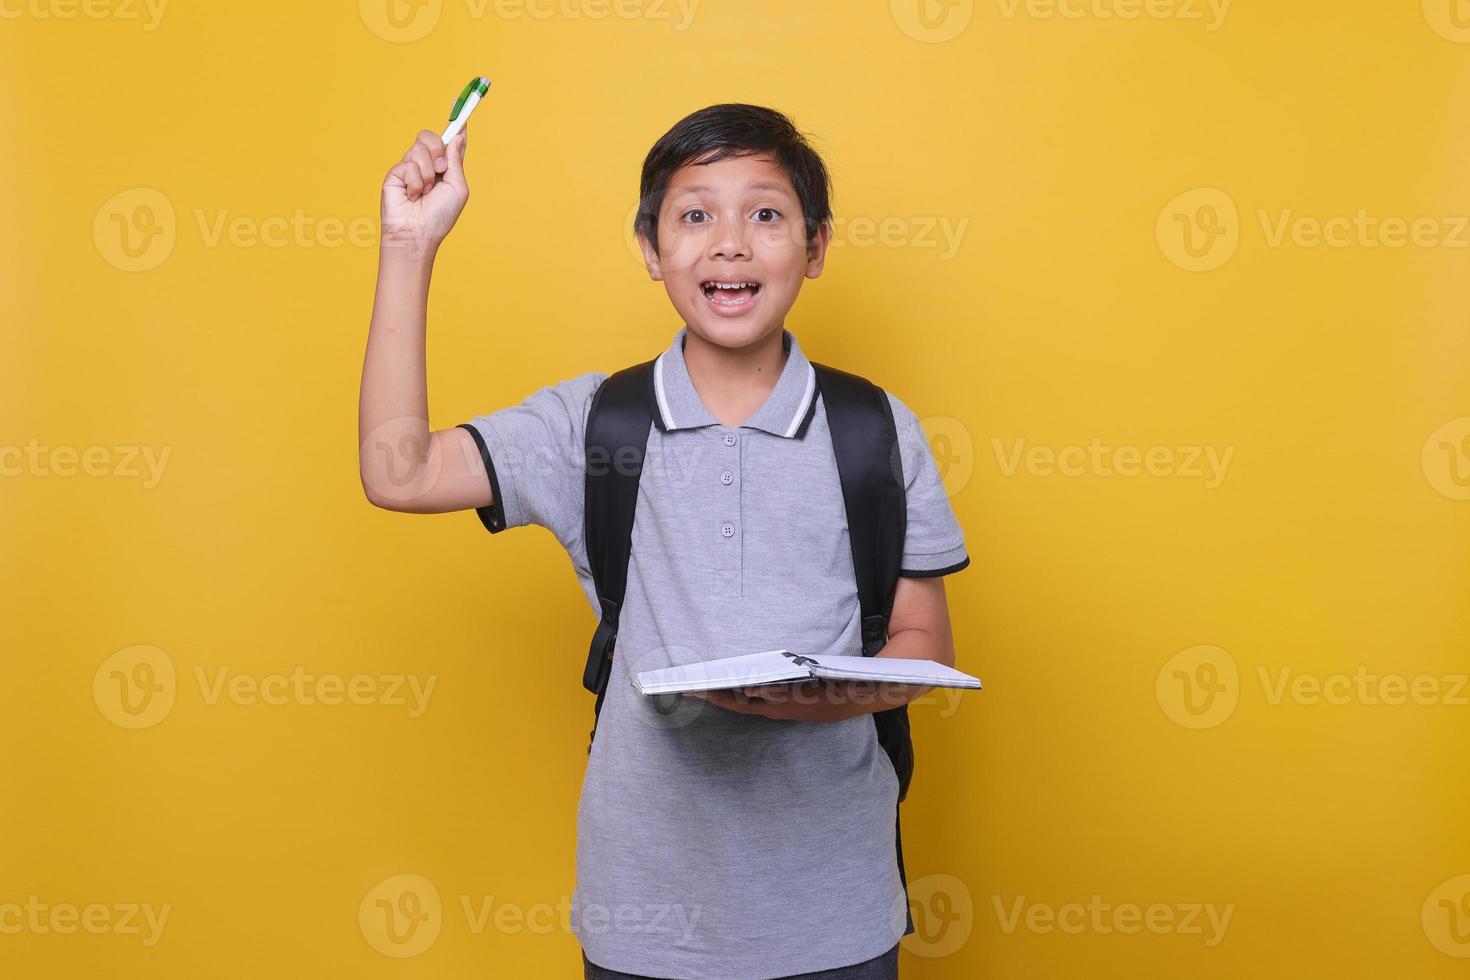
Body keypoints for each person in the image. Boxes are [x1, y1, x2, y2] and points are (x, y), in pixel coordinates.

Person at [358, 102, 971, 980]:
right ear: (650, 248)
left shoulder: (875, 429)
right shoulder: (592, 424)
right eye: (694, 215)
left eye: (766, 213)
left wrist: (807, 698)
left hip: (837, 919)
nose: (730, 243)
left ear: (817, 246)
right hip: (644, 925)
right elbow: (398, 472)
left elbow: (924, 643)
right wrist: (408, 246)